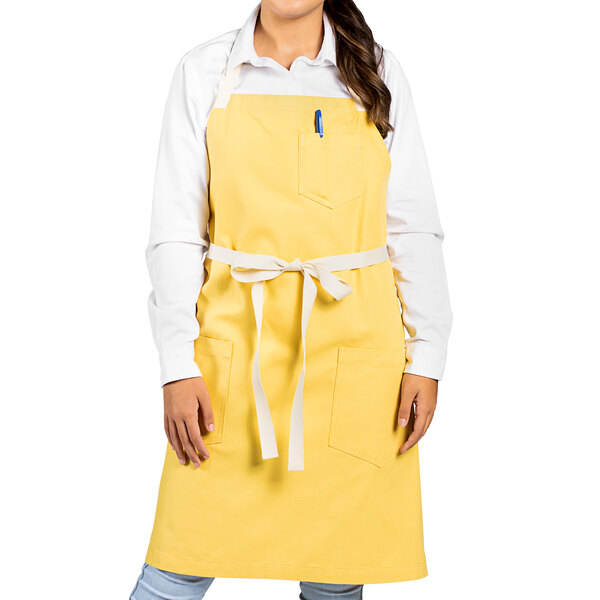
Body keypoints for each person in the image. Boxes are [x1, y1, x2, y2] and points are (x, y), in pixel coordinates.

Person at [131, 1, 452, 598]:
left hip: (352, 355)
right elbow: (175, 232)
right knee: (177, 566)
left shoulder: (376, 71)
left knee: (336, 573)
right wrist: (177, 363)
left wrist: (427, 354)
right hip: (232, 359)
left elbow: (412, 228)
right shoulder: (205, 71)